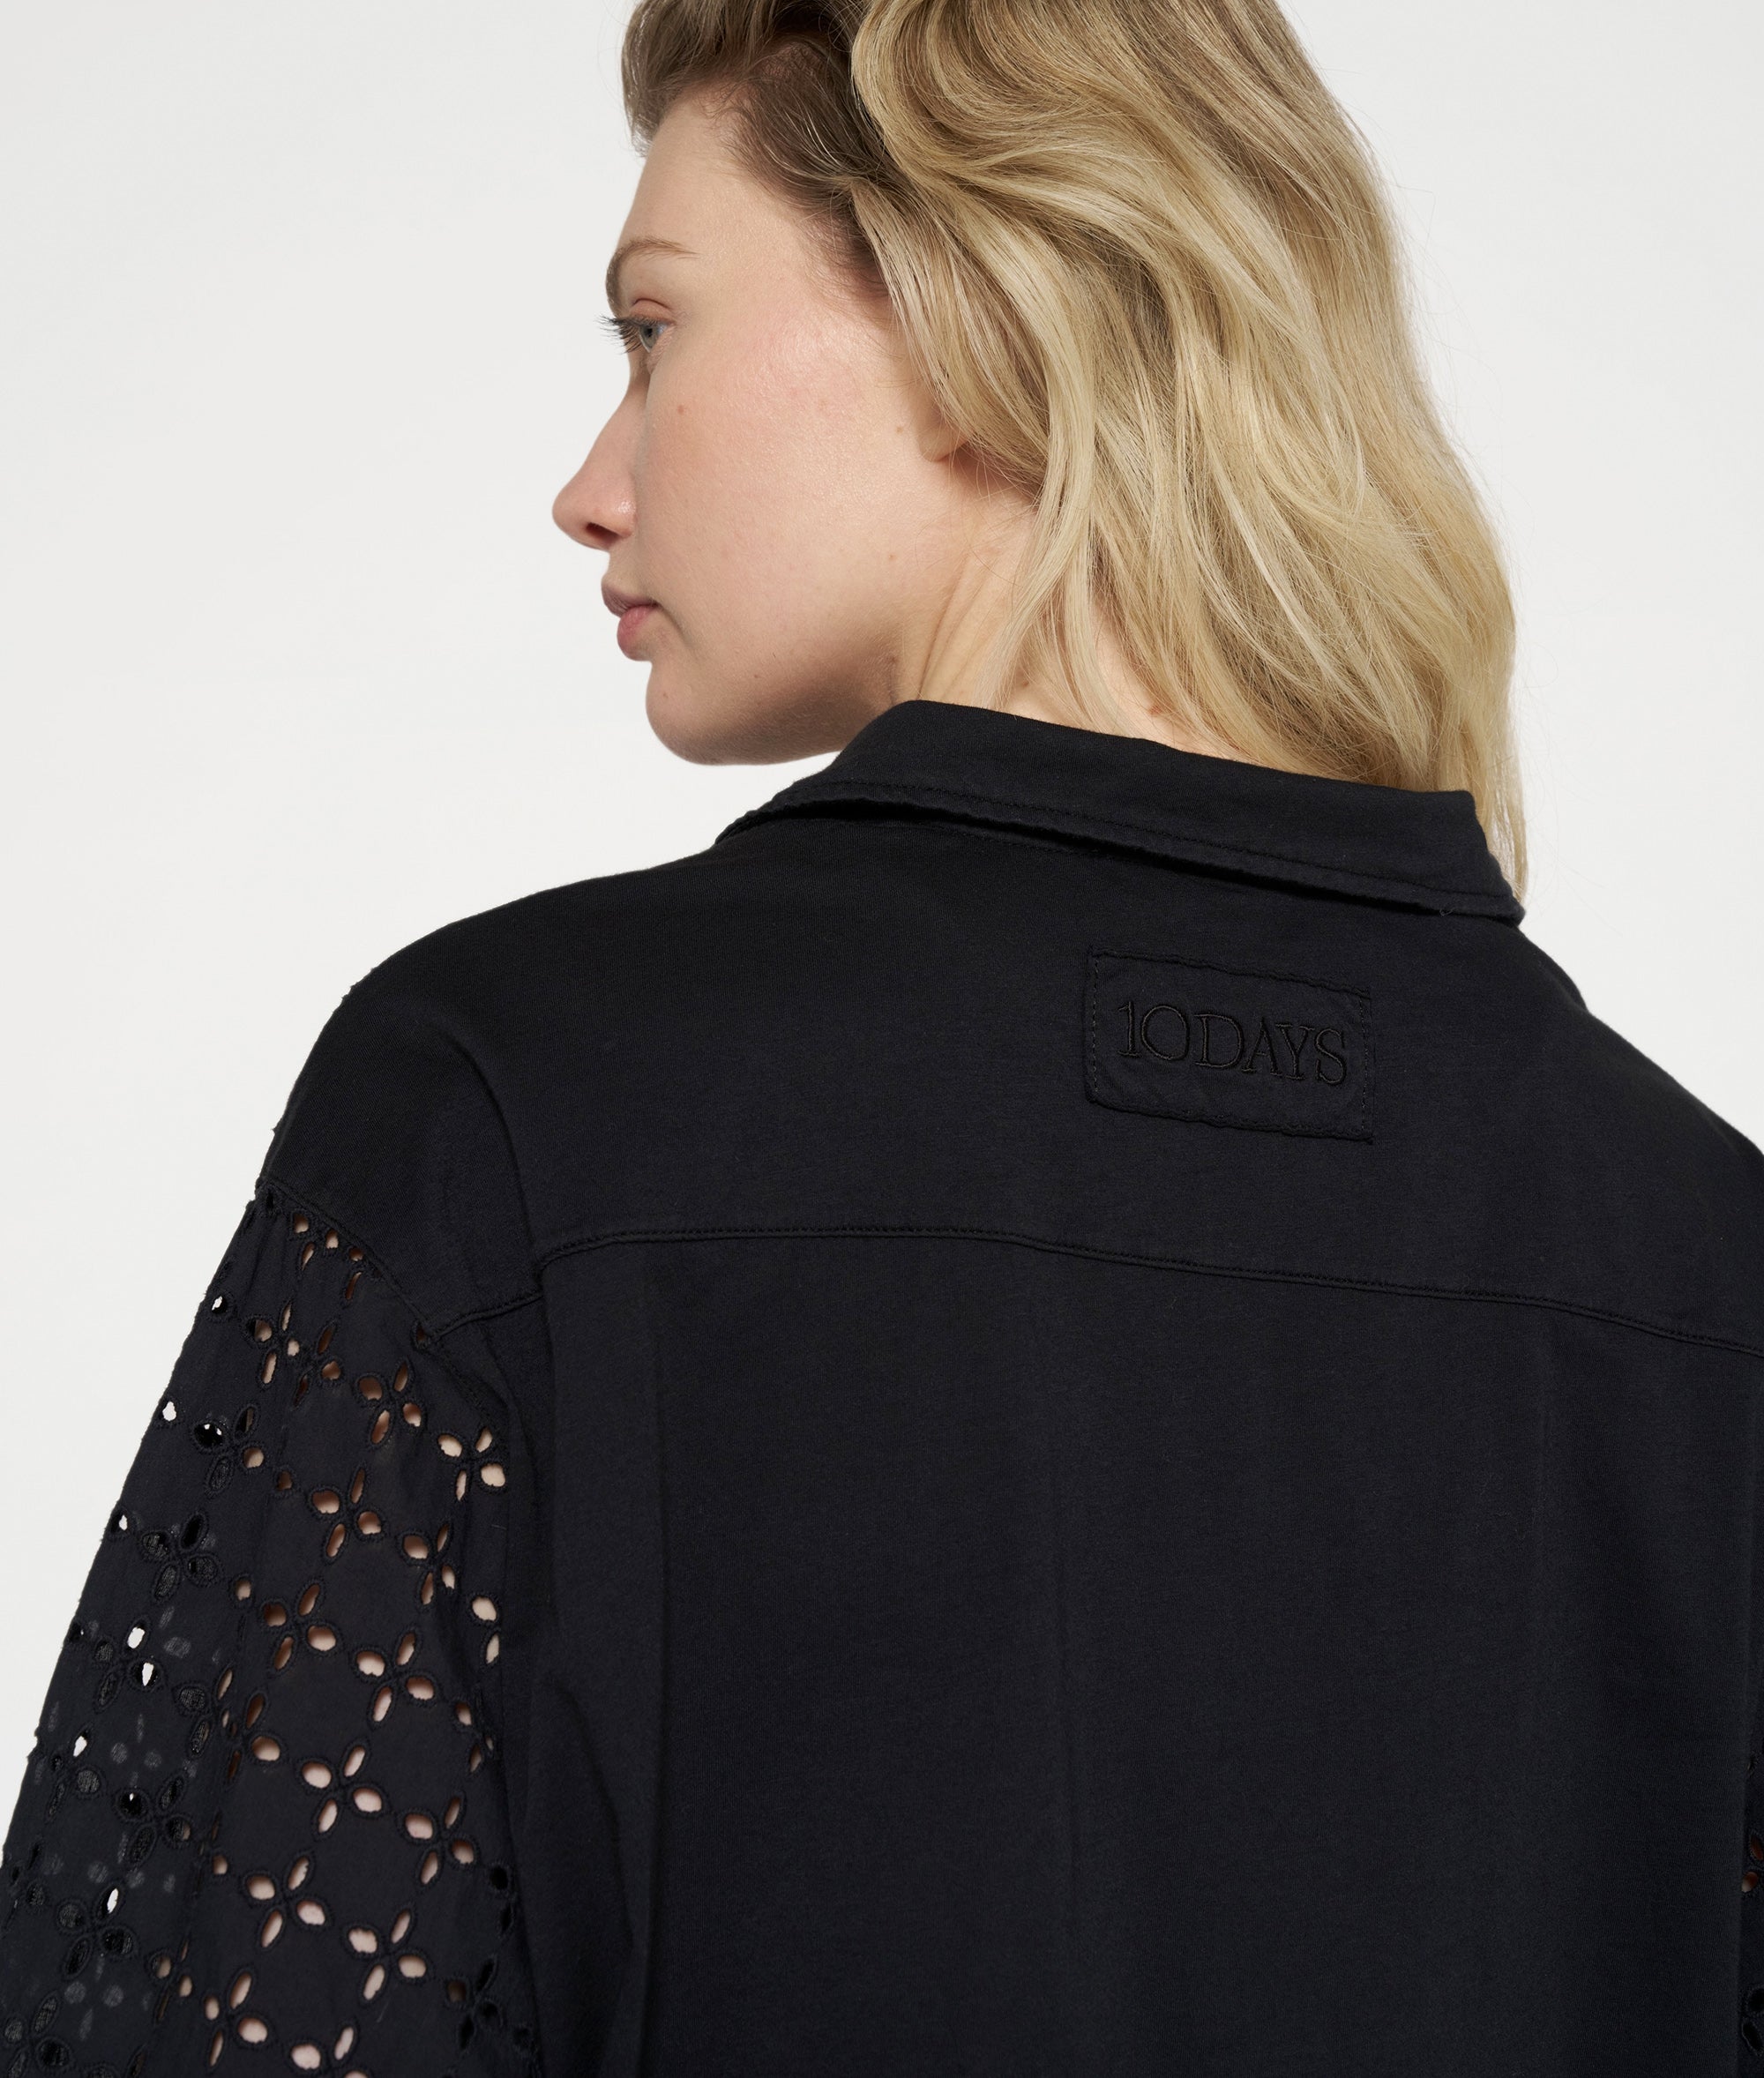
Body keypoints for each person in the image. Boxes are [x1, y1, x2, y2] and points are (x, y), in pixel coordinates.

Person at [4, 0, 1761, 2069]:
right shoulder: (1706, 1254)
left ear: (979, 309)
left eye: (651, 328)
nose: (588, 488)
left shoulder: (509, 1106)